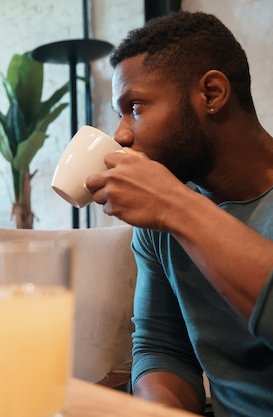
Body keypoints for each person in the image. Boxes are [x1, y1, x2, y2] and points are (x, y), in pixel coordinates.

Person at [84, 11, 273, 417]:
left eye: (135, 106)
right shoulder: (163, 214)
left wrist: (175, 206)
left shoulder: (170, 204)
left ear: (211, 94)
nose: (120, 134)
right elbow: (161, 346)